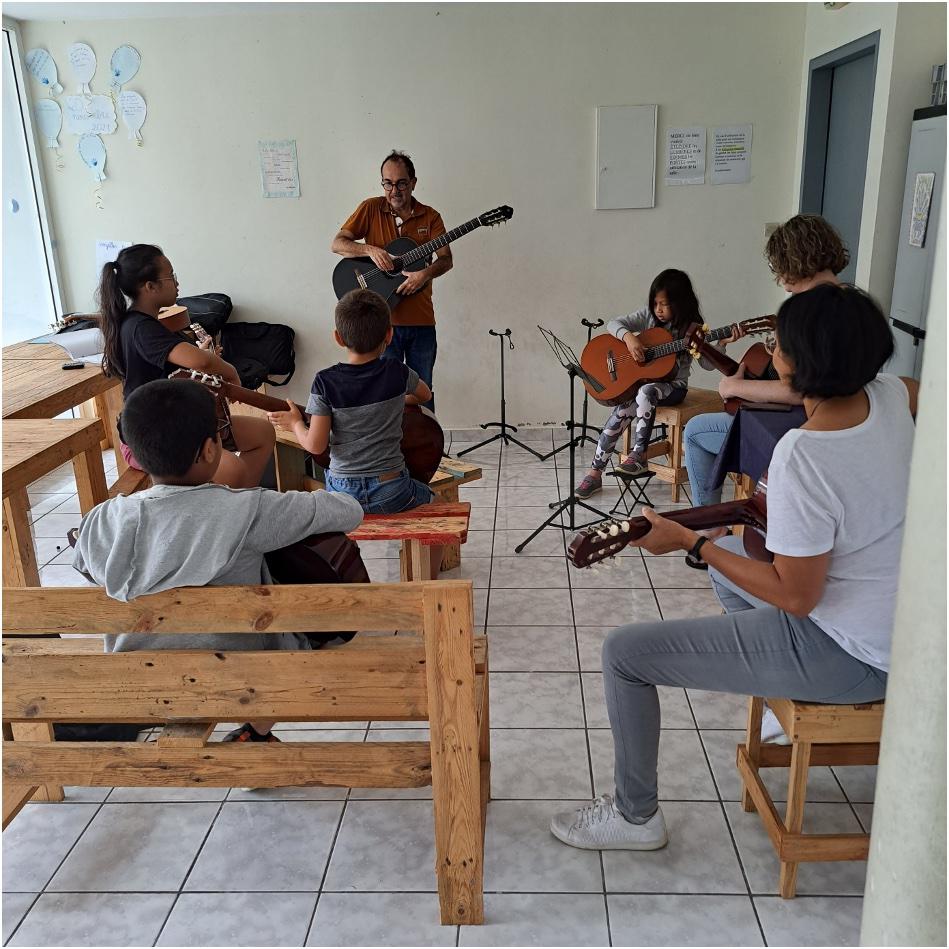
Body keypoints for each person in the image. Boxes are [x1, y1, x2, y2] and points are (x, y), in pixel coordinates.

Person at [551, 283, 916, 852]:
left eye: (779, 344)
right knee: (738, 556)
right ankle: (775, 684)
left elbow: (797, 598)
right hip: (909, 629)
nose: (771, 349)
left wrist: (691, 544)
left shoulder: (804, 455)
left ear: (802, 366)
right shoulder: (894, 395)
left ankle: (635, 816)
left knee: (625, 654)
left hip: (858, 652)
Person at [72, 378, 364, 744]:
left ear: (133, 453)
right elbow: (348, 510)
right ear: (212, 449)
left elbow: (85, 564)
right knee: (307, 620)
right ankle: (257, 730)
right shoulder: (249, 510)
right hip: (241, 680)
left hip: (140, 681)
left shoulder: (101, 520)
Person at [683, 214, 849, 514]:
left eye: (779, 268)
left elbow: (800, 391)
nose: (780, 281)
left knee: (695, 431)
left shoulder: (802, 311)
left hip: (800, 431)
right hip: (845, 426)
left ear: (792, 260)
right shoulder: (852, 301)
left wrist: (735, 385)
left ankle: (710, 528)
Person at [98, 243, 275, 489]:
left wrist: (203, 357)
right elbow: (199, 361)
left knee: (263, 434)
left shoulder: (145, 324)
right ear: (150, 287)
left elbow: (183, 365)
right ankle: (226, 510)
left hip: (178, 423)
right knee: (231, 469)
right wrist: (230, 371)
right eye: (171, 276)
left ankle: (240, 506)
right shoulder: (140, 327)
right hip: (150, 436)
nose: (177, 283)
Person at [267, 288, 437, 512]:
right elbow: (425, 395)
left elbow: (315, 445)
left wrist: (295, 423)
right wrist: (397, 400)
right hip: (392, 488)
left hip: (342, 492)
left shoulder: (325, 381)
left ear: (338, 337)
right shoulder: (397, 371)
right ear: (389, 334)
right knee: (434, 499)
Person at [330, 150, 452, 410]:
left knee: (423, 392)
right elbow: (338, 244)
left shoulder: (431, 217)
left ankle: (425, 447)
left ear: (414, 182)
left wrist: (424, 274)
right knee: (384, 393)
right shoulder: (370, 207)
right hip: (381, 324)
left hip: (421, 321)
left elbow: (446, 259)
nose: (394, 190)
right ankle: (389, 448)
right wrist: (370, 250)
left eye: (401, 183)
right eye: (388, 183)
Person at [575, 269, 711, 499]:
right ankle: (595, 472)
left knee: (646, 392)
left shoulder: (693, 329)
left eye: (664, 304)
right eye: (655, 303)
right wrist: (629, 338)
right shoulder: (649, 317)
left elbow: (708, 364)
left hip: (672, 388)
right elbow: (613, 324)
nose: (658, 309)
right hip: (642, 389)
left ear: (680, 303)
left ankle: (639, 454)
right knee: (622, 411)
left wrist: (722, 345)